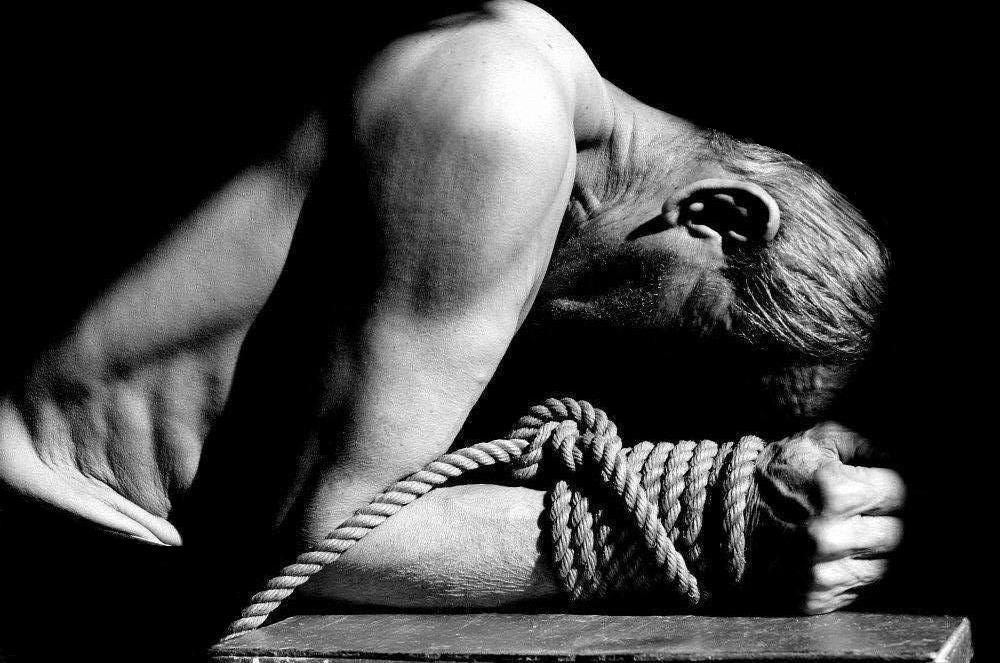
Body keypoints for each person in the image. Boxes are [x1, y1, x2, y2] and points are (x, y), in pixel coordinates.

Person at [0, 0, 901, 645]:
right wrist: (705, 524)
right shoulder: (504, 114)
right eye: (679, 364)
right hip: (52, 556)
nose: (623, 398)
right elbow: (335, 536)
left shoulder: (520, 98)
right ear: (719, 218)